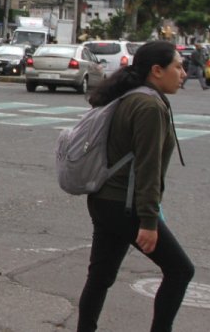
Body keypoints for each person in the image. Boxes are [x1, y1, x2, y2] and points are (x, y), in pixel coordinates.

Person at [77, 41, 193, 331]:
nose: (183, 74)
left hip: (104, 199)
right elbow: (147, 168)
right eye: (178, 67)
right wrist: (149, 221)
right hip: (124, 205)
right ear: (157, 70)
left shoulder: (130, 96)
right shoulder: (149, 106)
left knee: (100, 277)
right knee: (180, 270)